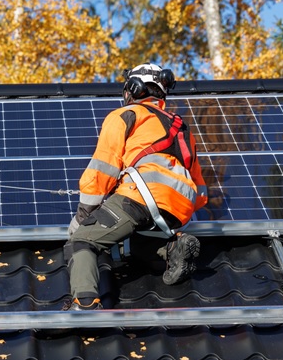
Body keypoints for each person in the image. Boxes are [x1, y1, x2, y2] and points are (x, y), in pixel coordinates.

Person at [63, 63, 208, 311]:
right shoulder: (183, 129)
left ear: (133, 88)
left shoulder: (126, 115)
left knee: (82, 242)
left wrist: (83, 217)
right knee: (129, 240)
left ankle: (85, 304)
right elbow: (201, 193)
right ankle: (172, 248)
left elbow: (102, 169)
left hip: (139, 197)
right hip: (179, 210)